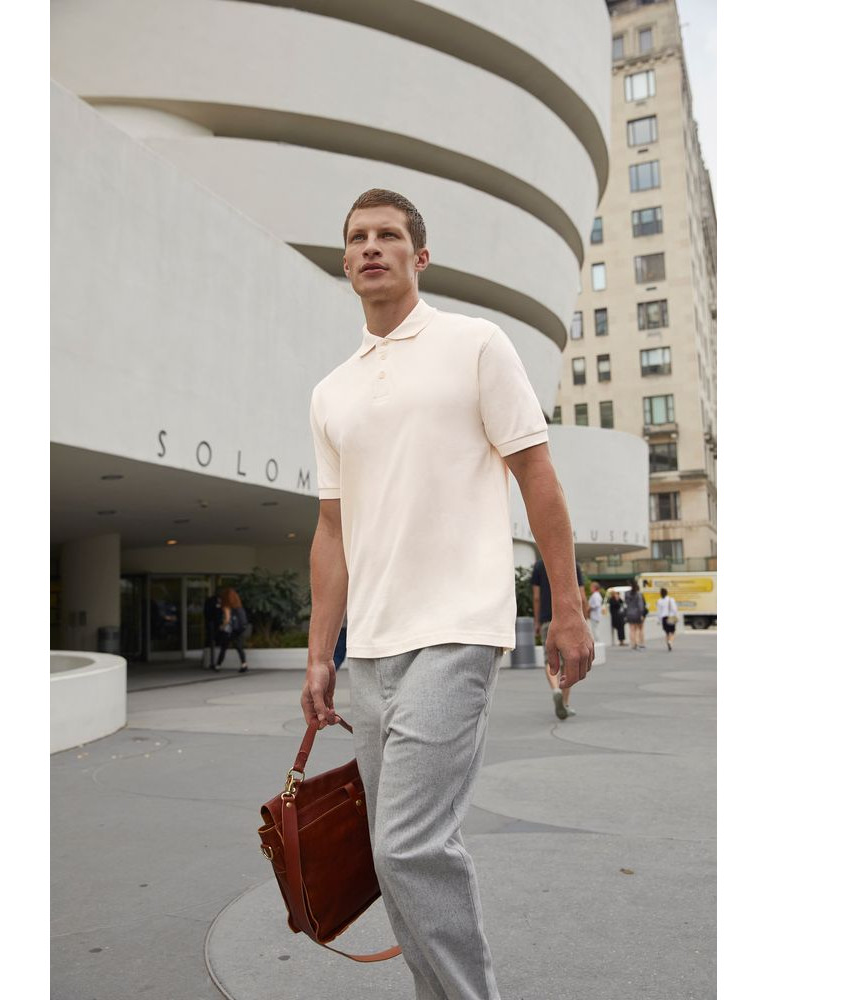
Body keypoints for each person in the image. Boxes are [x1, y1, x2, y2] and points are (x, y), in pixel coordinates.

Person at [301, 188, 593, 1000]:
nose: (371, 246)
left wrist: (566, 608)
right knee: (391, 855)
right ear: (345, 261)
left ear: (419, 256)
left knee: (408, 846)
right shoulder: (331, 393)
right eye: (357, 236)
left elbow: (537, 473)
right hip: (371, 650)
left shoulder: (476, 345)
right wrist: (320, 654)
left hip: (458, 628)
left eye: (388, 235)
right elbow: (331, 531)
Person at [532, 559, 586, 721]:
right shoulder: (572, 563)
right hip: (567, 621)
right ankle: (565, 703)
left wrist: (537, 621)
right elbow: (582, 596)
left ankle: (555, 689)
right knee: (567, 662)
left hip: (547, 620)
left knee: (550, 660)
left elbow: (536, 597)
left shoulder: (539, 566)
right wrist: (583, 621)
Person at [216, 587, 249, 673]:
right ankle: (244, 664)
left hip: (230, 630)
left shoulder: (226, 606)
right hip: (238, 629)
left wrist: (222, 626)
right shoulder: (238, 605)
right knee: (239, 647)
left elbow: (227, 619)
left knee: (224, 647)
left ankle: (218, 665)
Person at [625, 581, 647, 650]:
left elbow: (626, 603)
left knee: (631, 630)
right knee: (637, 629)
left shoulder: (627, 594)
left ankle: (633, 644)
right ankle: (637, 643)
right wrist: (641, 614)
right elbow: (640, 606)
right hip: (637, 613)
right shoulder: (638, 594)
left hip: (629, 613)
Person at [656, 586, 679, 652]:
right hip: (671, 617)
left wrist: (659, 620)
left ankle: (667, 643)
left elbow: (659, 611)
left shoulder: (659, 601)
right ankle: (670, 642)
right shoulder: (671, 599)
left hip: (664, 618)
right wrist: (676, 616)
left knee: (667, 633)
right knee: (672, 632)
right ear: (667, 593)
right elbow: (674, 609)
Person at [202, 590, 221, 669]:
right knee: (212, 642)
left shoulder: (211, 601)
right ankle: (211, 662)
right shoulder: (212, 601)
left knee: (210, 642)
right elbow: (209, 613)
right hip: (213, 624)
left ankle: (210, 661)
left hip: (212, 624)